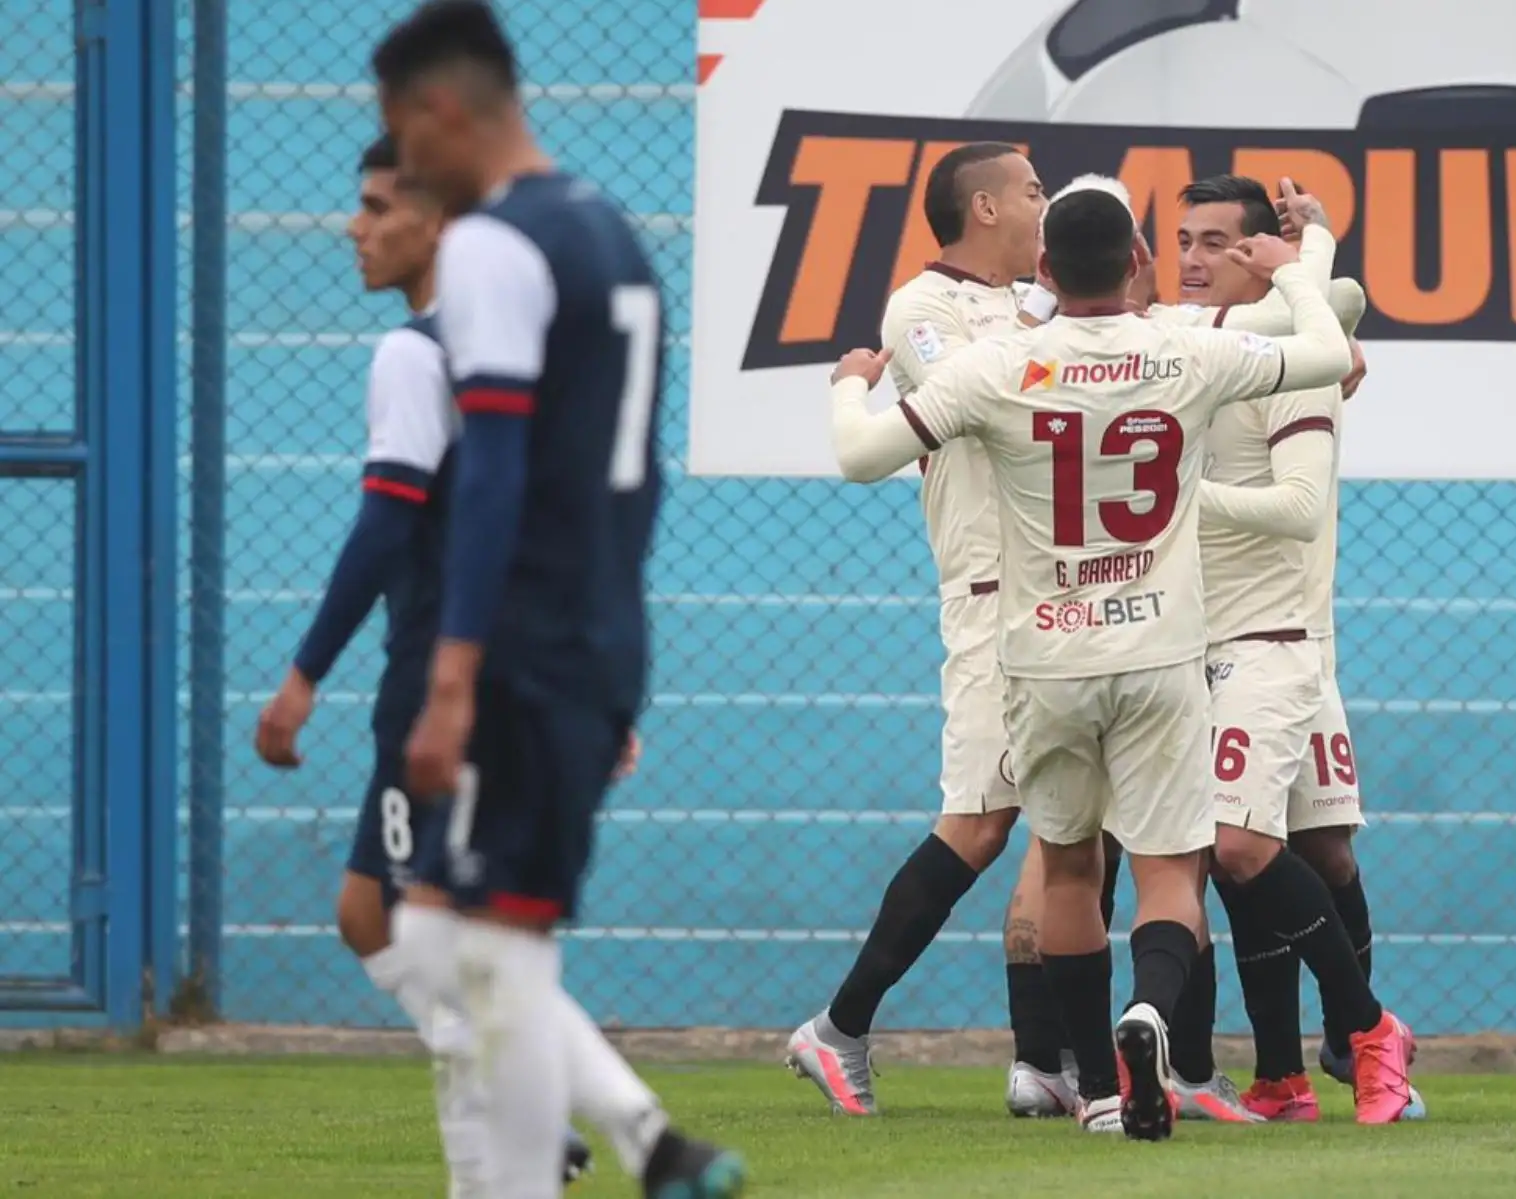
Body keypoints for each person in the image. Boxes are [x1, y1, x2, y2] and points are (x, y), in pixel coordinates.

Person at [829, 174, 1413, 1136]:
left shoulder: (1001, 363)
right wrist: (1303, 266)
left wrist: (851, 382)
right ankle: (1158, 1020)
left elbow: (859, 455)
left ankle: (1099, 1085)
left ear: (1046, 270)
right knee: (1174, 869)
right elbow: (1320, 343)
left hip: (1045, 657)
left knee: (1068, 868)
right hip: (1158, 649)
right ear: (1139, 259)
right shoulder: (1184, 352)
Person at [370, 3, 744, 1195]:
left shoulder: (493, 242)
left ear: (439, 109)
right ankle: (649, 1144)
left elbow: (493, 472)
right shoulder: (607, 231)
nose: (399, 164)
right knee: (444, 932)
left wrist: (452, 672)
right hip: (594, 624)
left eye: (397, 132)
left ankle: (622, 1154)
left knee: (486, 949)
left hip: (525, 640)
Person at [252, 131, 593, 1192]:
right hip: (516, 678)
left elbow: (385, 524)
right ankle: (530, 1100)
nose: (353, 227)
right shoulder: (523, 358)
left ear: (436, 222)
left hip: (438, 684)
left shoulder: (417, 353)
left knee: (438, 928)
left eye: (375, 206)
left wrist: (304, 673)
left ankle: (527, 1110)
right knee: (376, 912)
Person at [785, 141, 1099, 1120]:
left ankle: (1049, 1060)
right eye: (1034, 190)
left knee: (1069, 824)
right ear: (987, 207)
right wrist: (1056, 321)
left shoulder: (1037, 308)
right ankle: (839, 1024)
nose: (1047, 203)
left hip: (1065, 590)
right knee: (978, 822)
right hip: (995, 596)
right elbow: (990, 395)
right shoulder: (922, 310)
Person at [1167, 174, 1422, 1123]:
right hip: (1212, 640)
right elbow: (1333, 303)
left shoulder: (1298, 365)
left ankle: (1357, 1034)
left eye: (1215, 242)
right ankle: (1286, 1070)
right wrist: (1312, 257)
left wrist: (1174, 501)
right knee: (1245, 849)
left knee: (1308, 852)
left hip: (1282, 640)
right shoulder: (1193, 341)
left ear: (1258, 255)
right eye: (1182, 240)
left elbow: (1302, 505)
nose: (1191, 259)